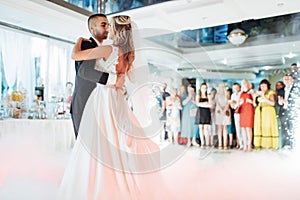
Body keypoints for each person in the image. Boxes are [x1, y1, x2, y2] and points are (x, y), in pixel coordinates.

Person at [59, 15, 171, 199]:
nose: (107, 28)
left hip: (104, 97)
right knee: (116, 138)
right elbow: (131, 78)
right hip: (118, 98)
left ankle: (100, 182)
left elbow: (75, 56)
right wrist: (119, 79)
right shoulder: (129, 54)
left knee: (99, 139)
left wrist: (79, 41)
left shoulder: (108, 49)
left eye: (110, 25)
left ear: (116, 30)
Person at [70, 13, 125, 139]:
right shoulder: (87, 45)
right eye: (103, 25)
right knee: (85, 145)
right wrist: (114, 80)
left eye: (108, 25)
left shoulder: (102, 48)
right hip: (84, 102)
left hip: (97, 102)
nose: (107, 28)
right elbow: (84, 72)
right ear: (92, 28)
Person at [253, 79, 278, 149]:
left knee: (267, 126)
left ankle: (268, 145)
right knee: (260, 127)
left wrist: (264, 97)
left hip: (268, 111)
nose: (263, 88)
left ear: (267, 86)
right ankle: (259, 144)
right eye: (261, 86)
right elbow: (254, 105)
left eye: (264, 86)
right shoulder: (258, 93)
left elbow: (273, 103)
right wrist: (254, 97)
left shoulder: (270, 93)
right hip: (260, 111)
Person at [278, 74, 296, 149]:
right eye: (285, 80)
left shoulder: (296, 90)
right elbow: (278, 103)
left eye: (289, 79)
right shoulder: (281, 90)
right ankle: (285, 145)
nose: (287, 81)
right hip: (283, 112)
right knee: (284, 129)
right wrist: (281, 102)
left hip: (292, 112)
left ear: (292, 80)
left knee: (292, 128)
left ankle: (293, 145)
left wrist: (286, 102)